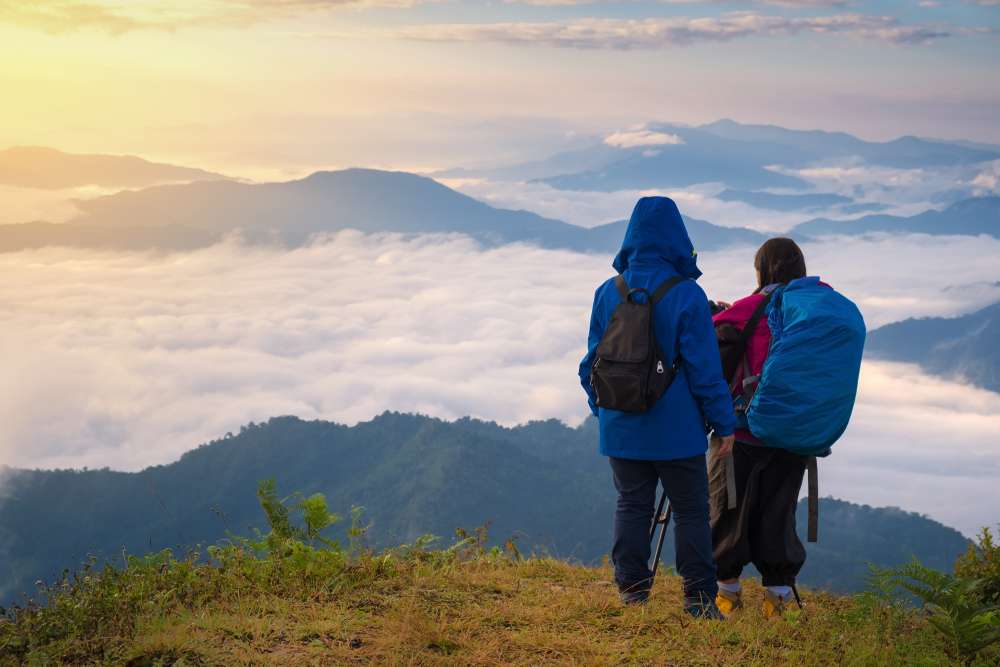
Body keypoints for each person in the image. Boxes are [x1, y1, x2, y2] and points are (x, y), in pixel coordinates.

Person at [579, 196, 737, 618]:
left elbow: (589, 364)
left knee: (632, 503)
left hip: (621, 426)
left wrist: (605, 411)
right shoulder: (687, 295)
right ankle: (699, 599)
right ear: (678, 240)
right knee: (691, 510)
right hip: (677, 431)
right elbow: (705, 373)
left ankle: (631, 592)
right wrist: (725, 426)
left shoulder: (606, 292)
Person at [709, 237, 811, 619]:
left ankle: (727, 596)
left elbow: (708, 336)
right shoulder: (812, 310)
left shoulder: (751, 308)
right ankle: (778, 600)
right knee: (779, 511)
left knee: (728, 508)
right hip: (796, 432)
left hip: (742, 429)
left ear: (763, 270)